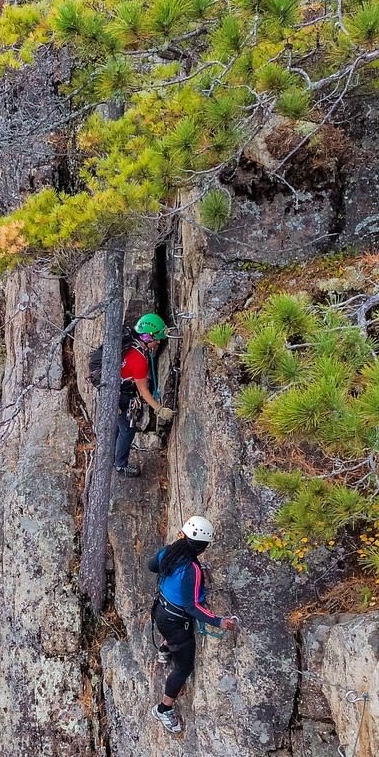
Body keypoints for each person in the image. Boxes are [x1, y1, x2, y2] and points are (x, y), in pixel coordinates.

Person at [147, 515, 238, 733]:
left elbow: (152, 566)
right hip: (176, 622)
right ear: (203, 546)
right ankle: (163, 708)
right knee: (184, 667)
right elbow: (192, 607)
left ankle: (165, 647)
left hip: (161, 611)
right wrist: (219, 621)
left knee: (173, 637)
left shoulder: (170, 552)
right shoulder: (192, 569)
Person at [114, 313, 175, 477]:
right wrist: (160, 409)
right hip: (123, 396)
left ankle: (111, 454)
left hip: (114, 391)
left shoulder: (130, 344)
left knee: (117, 426)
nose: (159, 342)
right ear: (148, 337)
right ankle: (120, 465)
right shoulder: (138, 359)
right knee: (128, 430)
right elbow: (143, 390)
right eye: (157, 339)